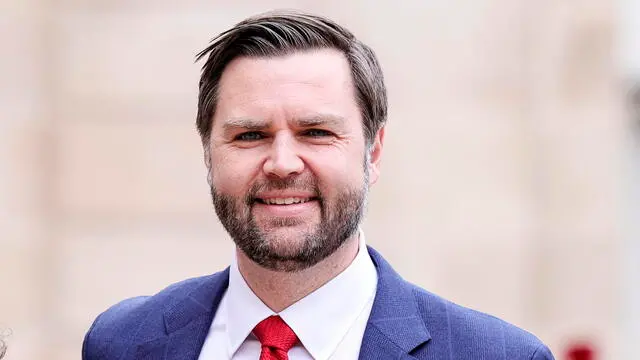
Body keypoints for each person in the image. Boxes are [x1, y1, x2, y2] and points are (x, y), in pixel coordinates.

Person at [82, 10, 555, 360]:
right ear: (208, 153)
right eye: (250, 135)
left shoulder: (497, 355)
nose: (283, 163)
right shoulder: (119, 342)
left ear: (373, 152)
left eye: (316, 132)